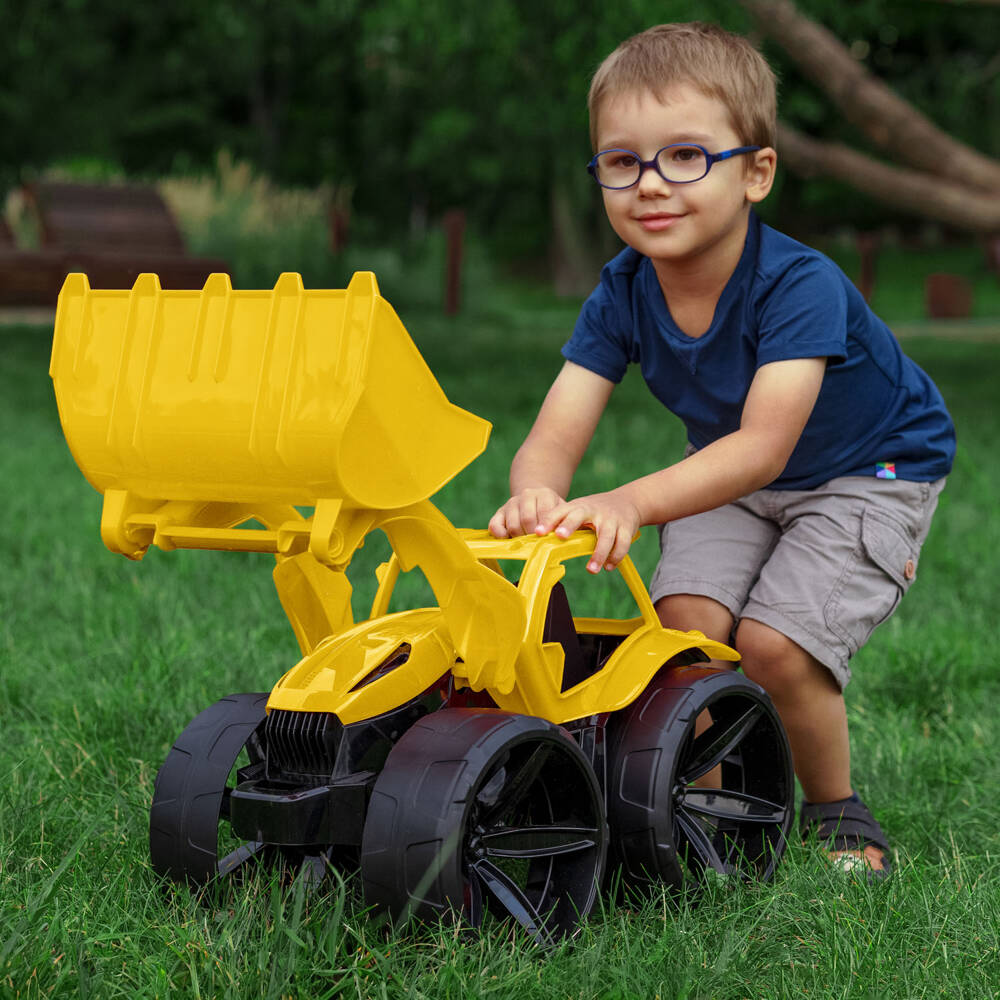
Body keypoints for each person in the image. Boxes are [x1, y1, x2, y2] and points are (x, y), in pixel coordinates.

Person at [488, 21, 955, 878]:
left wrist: (628, 501)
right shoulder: (623, 289)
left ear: (756, 173)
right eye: (622, 161)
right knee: (685, 629)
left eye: (687, 156)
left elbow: (766, 447)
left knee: (775, 645)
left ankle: (835, 810)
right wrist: (536, 497)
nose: (651, 184)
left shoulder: (799, 284)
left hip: (869, 468)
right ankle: (693, 791)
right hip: (733, 470)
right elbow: (556, 429)